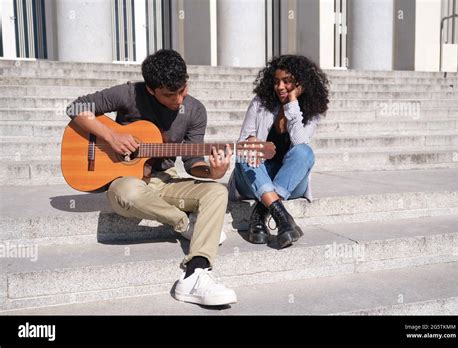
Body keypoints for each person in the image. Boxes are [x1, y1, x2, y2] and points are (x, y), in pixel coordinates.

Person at [66, 49, 236, 306]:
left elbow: (193, 164)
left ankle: (196, 271)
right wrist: (111, 136)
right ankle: (183, 223)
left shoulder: (194, 110)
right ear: (151, 90)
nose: (179, 99)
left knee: (217, 191)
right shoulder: (129, 94)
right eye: (170, 95)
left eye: (183, 89)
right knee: (127, 192)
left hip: (165, 182)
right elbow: (75, 107)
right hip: (130, 182)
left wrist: (213, 172)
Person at [228, 55, 329, 249]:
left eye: (287, 81)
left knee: (305, 153)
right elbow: (242, 142)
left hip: (289, 182)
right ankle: (283, 219)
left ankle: (261, 212)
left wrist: (291, 106)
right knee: (246, 151)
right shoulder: (260, 103)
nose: (280, 87)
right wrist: (250, 141)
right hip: (255, 175)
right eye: (276, 82)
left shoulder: (313, 112)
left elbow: (300, 143)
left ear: (301, 83)